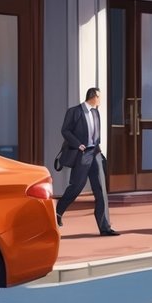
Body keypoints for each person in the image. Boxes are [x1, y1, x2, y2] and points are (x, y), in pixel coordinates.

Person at [55, 87, 118, 236]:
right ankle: (58, 211)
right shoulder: (74, 112)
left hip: (94, 153)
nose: (101, 101)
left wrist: (99, 149)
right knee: (76, 187)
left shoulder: (96, 112)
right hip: (82, 154)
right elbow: (65, 131)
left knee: (101, 191)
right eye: (100, 97)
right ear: (94, 96)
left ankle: (105, 227)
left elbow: (96, 134)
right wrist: (77, 144)